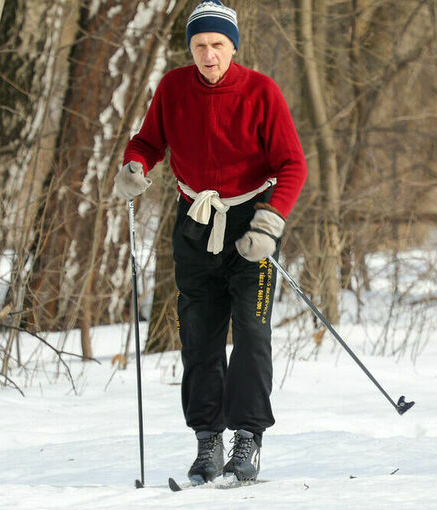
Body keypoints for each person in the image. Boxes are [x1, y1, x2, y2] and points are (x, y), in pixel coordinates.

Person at [114, 0, 307, 484]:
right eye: (199, 45)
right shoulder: (173, 88)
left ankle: (247, 439)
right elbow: (147, 143)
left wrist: (269, 222)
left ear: (233, 47)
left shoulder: (261, 92)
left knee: (251, 330)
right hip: (195, 220)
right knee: (198, 335)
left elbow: (292, 165)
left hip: (251, 222)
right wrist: (135, 167)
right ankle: (207, 444)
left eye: (218, 45)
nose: (209, 54)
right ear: (190, 49)